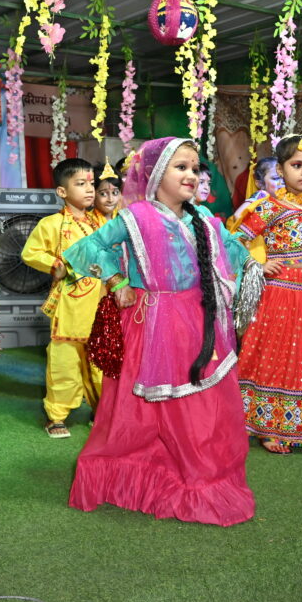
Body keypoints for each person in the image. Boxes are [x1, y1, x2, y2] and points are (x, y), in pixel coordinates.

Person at [63, 136, 258, 527]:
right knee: (139, 413)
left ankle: (199, 474)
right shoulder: (135, 218)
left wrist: (254, 270)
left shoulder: (204, 219)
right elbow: (85, 250)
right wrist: (118, 281)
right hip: (149, 326)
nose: (191, 175)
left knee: (201, 409)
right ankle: (135, 471)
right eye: (180, 167)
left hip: (199, 327)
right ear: (153, 174)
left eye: (195, 168)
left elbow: (234, 253)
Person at [233, 135, 302, 454]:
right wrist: (257, 264)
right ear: (281, 168)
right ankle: (266, 427)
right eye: (297, 165)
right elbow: (234, 240)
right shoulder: (269, 205)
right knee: (271, 354)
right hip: (277, 295)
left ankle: (300, 422)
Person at [21, 157, 105, 438]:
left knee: (101, 360)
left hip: (100, 303)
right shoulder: (51, 224)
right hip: (70, 307)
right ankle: (57, 416)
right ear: (62, 191)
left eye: (91, 183)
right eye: (80, 184)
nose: (89, 190)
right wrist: (57, 266)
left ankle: (103, 410)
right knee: (65, 362)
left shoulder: (101, 222)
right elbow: (30, 253)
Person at [227, 156, 281, 264]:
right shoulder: (262, 195)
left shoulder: (281, 200)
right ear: (259, 184)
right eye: (275, 178)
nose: (281, 182)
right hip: (258, 249)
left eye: (283, 177)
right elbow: (238, 215)